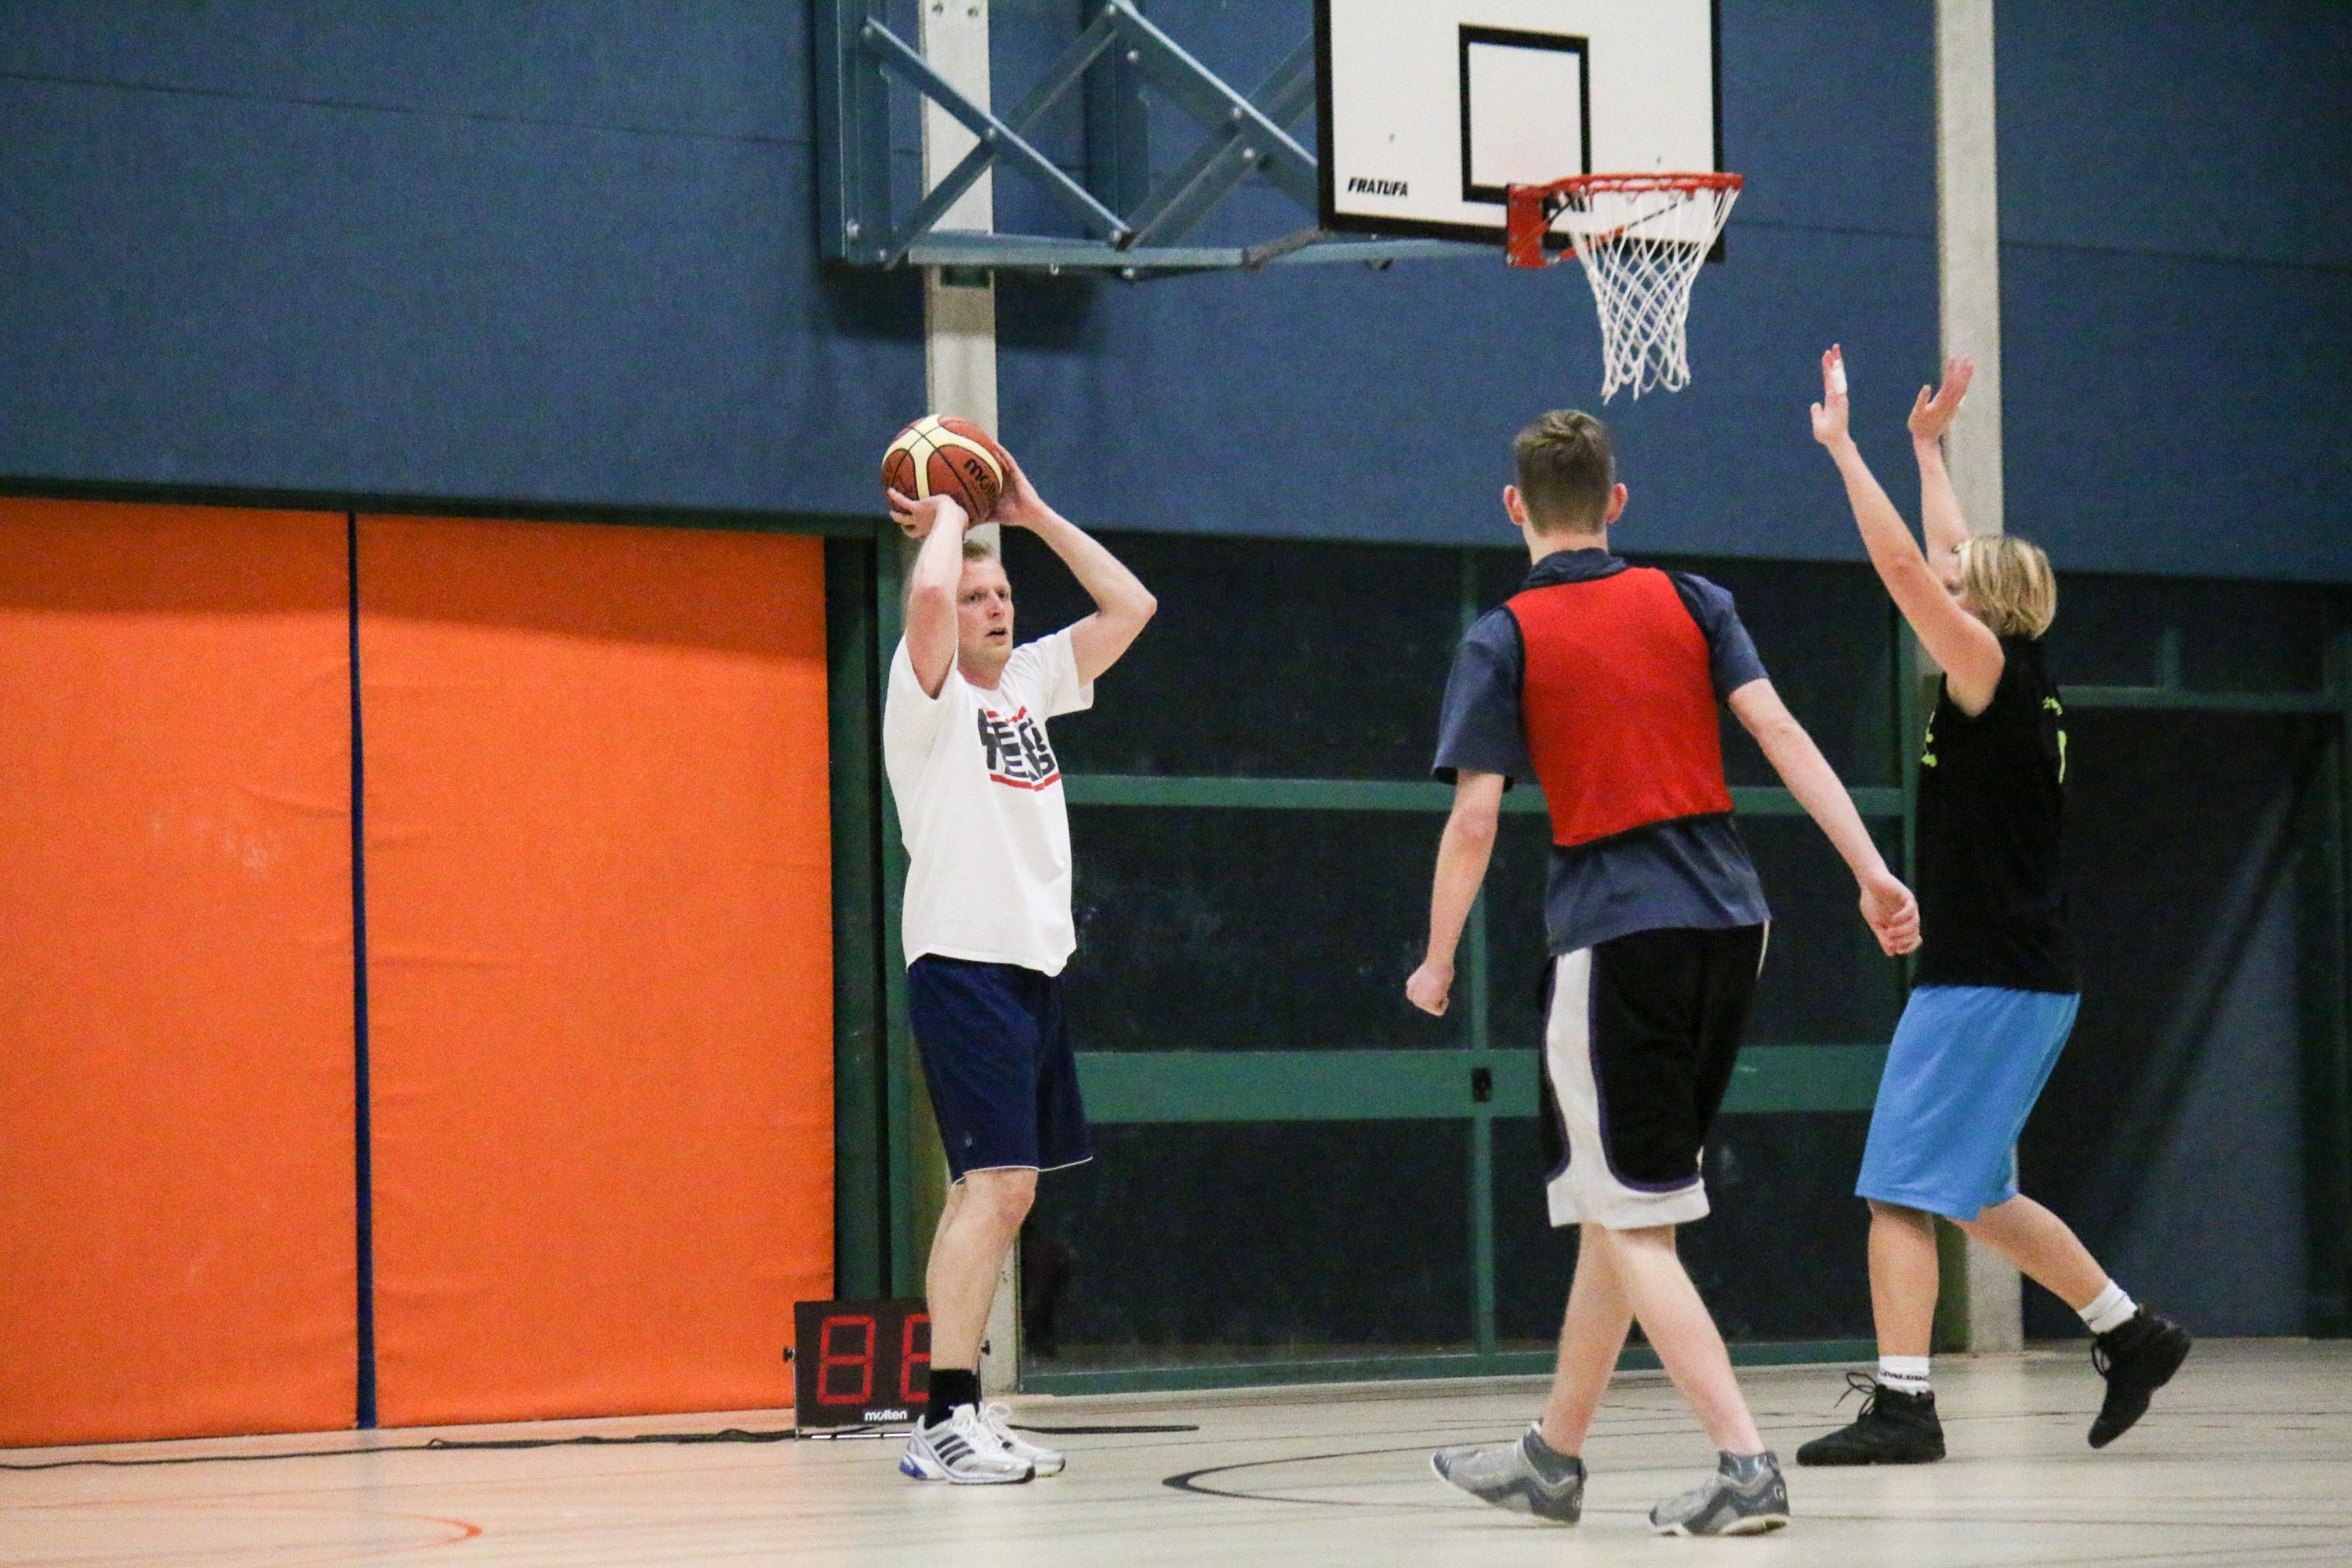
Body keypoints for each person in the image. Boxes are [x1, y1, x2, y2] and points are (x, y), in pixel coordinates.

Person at [1411, 409, 1920, 1536]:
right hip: (1734, 921)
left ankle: (1744, 1466)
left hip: (1616, 934)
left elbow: (1474, 819)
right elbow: (1780, 732)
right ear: (1618, 501)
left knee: (1633, 1218)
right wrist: (1872, 870)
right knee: (1625, 1201)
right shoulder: (1696, 601)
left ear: (1514, 507)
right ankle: (1551, 1458)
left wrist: (1439, 955)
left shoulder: (1503, 635)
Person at [1794, 348, 2190, 1467]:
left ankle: (1905, 1406)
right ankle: (2132, 1331)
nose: (1946, 574)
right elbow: (1943, 553)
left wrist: (1845, 451)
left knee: (1896, 1191)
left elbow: (1903, 568)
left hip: (1988, 980)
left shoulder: (1987, 671)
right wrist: (1927, 451)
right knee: (1973, 1192)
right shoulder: (2019, 673)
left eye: (1961, 578)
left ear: (1985, 603)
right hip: (2015, 977)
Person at [882, 450, 1156, 1484]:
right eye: (977, 597)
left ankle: (964, 1412)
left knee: (1006, 1193)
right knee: (991, 1189)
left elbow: (1132, 606)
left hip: (1030, 968)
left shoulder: (1031, 684)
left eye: (1003, 596)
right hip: (963, 962)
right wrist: (948, 517)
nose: (994, 608)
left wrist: (1032, 513)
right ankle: (941, 1421)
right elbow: (928, 599)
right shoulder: (927, 695)